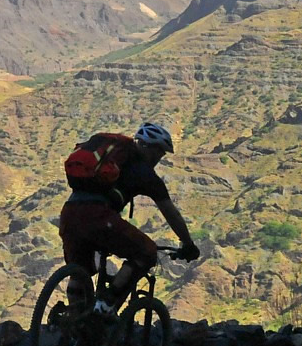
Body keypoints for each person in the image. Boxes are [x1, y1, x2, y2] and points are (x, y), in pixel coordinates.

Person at [58, 122, 201, 317]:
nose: (159, 159)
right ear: (149, 148)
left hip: (69, 214)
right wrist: (188, 244)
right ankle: (105, 305)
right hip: (97, 216)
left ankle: (73, 323)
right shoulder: (145, 173)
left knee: (80, 271)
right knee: (146, 252)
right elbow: (171, 214)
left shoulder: (113, 160)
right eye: (159, 153)